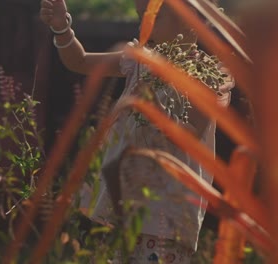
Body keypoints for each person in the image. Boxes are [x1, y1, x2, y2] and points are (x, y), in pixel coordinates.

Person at [40, 0, 234, 263]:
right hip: (129, 203)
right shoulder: (140, 62)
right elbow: (80, 61)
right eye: (141, 15)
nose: (146, 22)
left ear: (192, 19)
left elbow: (189, 134)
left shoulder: (206, 76)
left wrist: (156, 113)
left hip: (168, 211)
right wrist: (63, 28)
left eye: (155, 14)